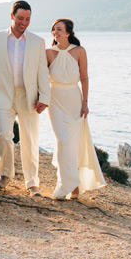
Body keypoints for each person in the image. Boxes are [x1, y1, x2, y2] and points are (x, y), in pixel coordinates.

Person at [0, 0, 51, 196]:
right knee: (3, 136)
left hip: (29, 97)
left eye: (27, 19)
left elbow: (42, 72)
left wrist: (45, 98)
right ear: (12, 16)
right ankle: (5, 174)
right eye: (20, 18)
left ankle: (32, 182)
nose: (24, 23)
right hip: (3, 95)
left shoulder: (37, 42)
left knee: (30, 140)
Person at [46, 18, 105, 200]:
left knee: (73, 144)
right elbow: (40, 78)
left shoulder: (79, 51)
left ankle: (74, 186)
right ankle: (66, 184)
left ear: (68, 32)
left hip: (74, 101)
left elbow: (85, 78)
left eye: (60, 30)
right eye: (54, 30)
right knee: (62, 141)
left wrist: (85, 102)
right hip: (55, 100)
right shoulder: (47, 53)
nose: (56, 33)